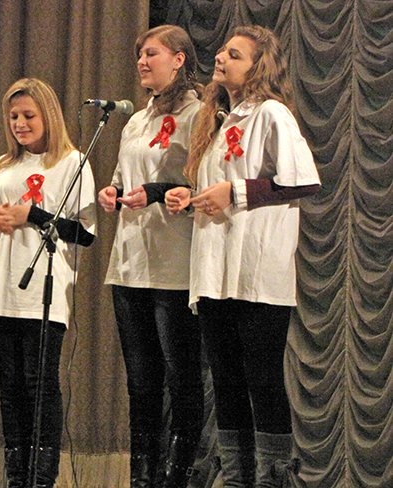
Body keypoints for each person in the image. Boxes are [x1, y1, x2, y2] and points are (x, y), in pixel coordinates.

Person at [165, 25, 321, 487]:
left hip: (256, 273)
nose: (221, 58)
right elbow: (219, 189)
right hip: (216, 271)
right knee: (227, 380)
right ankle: (236, 476)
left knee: (262, 379)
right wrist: (191, 197)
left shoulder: (271, 114)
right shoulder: (216, 121)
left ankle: (273, 478)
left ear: (258, 67)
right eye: (222, 51)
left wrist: (234, 192)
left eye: (234, 54)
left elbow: (303, 181)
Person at [98, 25, 204, 488]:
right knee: (140, 381)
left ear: (179, 59)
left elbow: (202, 183)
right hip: (129, 263)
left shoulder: (199, 114)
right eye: (139, 54)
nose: (141, 61)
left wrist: (158, 192)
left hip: (174, 264)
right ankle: (142, 477)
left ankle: (176, 477)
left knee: (181, 378)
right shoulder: (136, 119)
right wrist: (112, 191)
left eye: (151, 53)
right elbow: (123, 176)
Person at [0, 77, 96, 488]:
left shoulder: (71, 163)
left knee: (39, 383)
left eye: (29, 115)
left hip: (46, 289)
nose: (20, 124)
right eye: (13, 116)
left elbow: (84, 232)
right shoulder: (3, 166)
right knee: (9, 385)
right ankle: (17, 475)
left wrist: (32, 215)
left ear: (48, 115)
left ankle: (41, 477)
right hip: (3, 289)